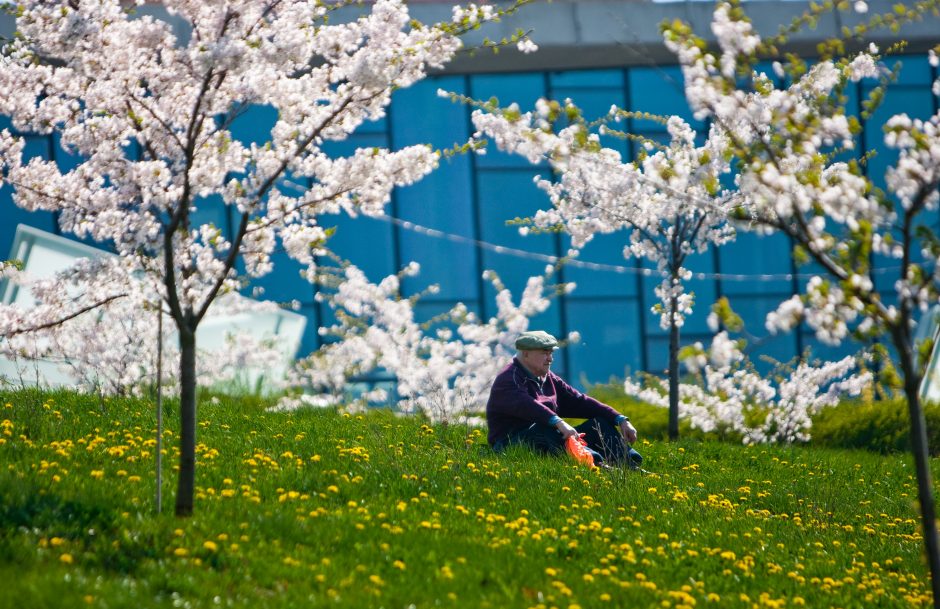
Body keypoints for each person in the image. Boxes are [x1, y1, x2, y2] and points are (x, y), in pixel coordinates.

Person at [486, 330, 642, 469]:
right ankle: (596, 465)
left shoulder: (547, 377)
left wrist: (619, 419)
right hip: (510, 445)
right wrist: (558, 422)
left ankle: (628, 465)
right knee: (544, 428)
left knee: (599, 423)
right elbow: (528, 406)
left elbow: (579, 401)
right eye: (545, 353)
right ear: (526, 353)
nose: (550, 358)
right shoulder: (508, 379)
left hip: (544, 438)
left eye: (551, 353)